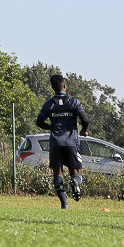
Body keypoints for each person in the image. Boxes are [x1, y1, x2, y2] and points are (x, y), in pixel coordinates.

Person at [37, 74, 89, 209]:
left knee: (57, 173)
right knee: (76, 171)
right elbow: (85, 120)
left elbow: (39, 122)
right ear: (64, 86)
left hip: (56, 142)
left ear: (53, 88)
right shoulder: (74, 102)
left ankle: (64, 204)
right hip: (71, 142)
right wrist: (84, 129)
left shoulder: (49, 104)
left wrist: (51, 127)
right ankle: (75, 182)